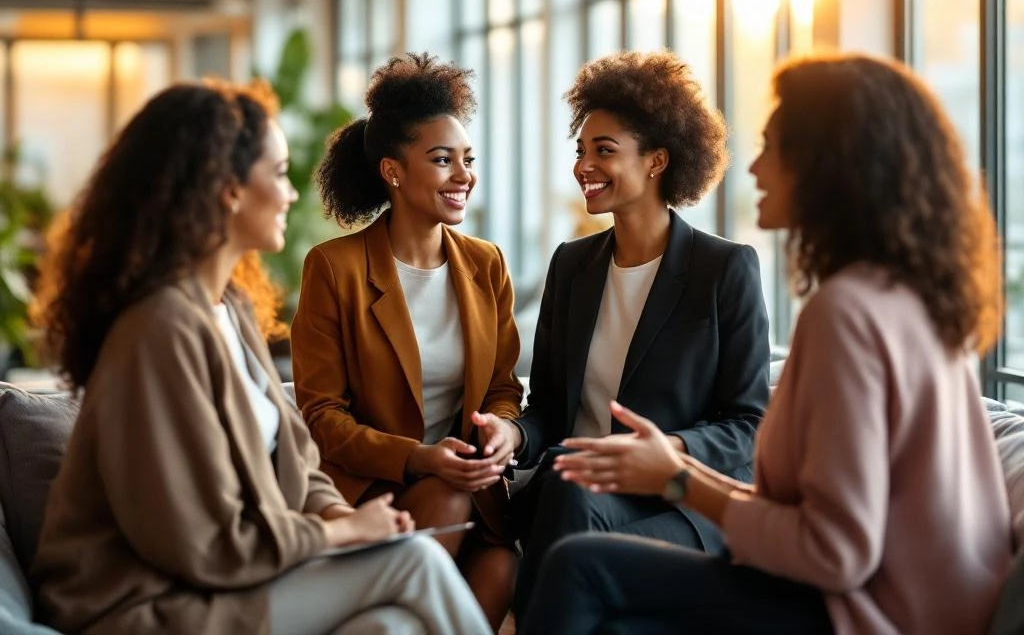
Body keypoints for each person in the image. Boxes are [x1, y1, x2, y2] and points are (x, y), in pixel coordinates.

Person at [522, 54, 1014, 635]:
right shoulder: (912, 298)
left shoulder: (842, 312)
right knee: (581, 547)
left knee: (582, 568)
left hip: (873, 608)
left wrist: (674, 473)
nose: (752, 167)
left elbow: (834, 549)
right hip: (913, 598)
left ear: (825, 168)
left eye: (771, 148)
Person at [30, 80, 491, 635]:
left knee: (393, 627)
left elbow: (298, 463)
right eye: (278, 173)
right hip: (146, 601)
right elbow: (204, 543)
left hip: (233, 580)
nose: (291, 194)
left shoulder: (228, 307)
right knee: (414, 561)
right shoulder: (158, 330)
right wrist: (341, 534)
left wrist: (343, 516)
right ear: (228, 190)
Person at [500, 50, 770, 618]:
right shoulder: (571, 265)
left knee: (569, 496)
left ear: (657, 161)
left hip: (673, 502)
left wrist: (666, 452)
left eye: (604, 150)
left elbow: (749, 424)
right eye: (580, 150)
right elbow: (547, 406)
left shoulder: (723, 269)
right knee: (567, 488)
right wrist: (514, 436)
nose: (584, 166)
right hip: (573, 487)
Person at [290, 53, 523, 631]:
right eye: (442, 160)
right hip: (376, 490)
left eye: (468, 159)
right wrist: (419, 458)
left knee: (503, 566)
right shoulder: (335, 268)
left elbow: (502, 388)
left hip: (471, 495)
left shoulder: (487, 264)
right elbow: (321, 417)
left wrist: (500, 430)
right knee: (446, 496)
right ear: (393, 172)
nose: (463, 175)